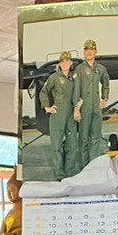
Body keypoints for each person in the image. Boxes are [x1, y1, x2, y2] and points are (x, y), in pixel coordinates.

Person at [39, 51, 79, 181]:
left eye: (67, 61)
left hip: (71, 115)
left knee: (72, 146)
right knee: (56, 147)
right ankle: (60, 175)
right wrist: (47, 107)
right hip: (58, 115)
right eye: (62, 61)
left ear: (71, 63)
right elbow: (44, 92)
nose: (65, 63)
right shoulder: (54, 78)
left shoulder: (75, 77)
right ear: (60, 64)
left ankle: (70, 173)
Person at [73, 38, 110, 166]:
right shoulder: (79, 69)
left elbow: (106, 83)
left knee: (96, 137)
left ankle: (93, 166)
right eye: (86, 49)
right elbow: (76, 89)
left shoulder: (101, 69)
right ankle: (84, 167)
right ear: (84, 52)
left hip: (96, 107)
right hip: (84, 107)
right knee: (84, 138)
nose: (89, 52)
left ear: (96, 51)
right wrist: (77, 109)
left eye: (91, 49)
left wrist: (104, 98)